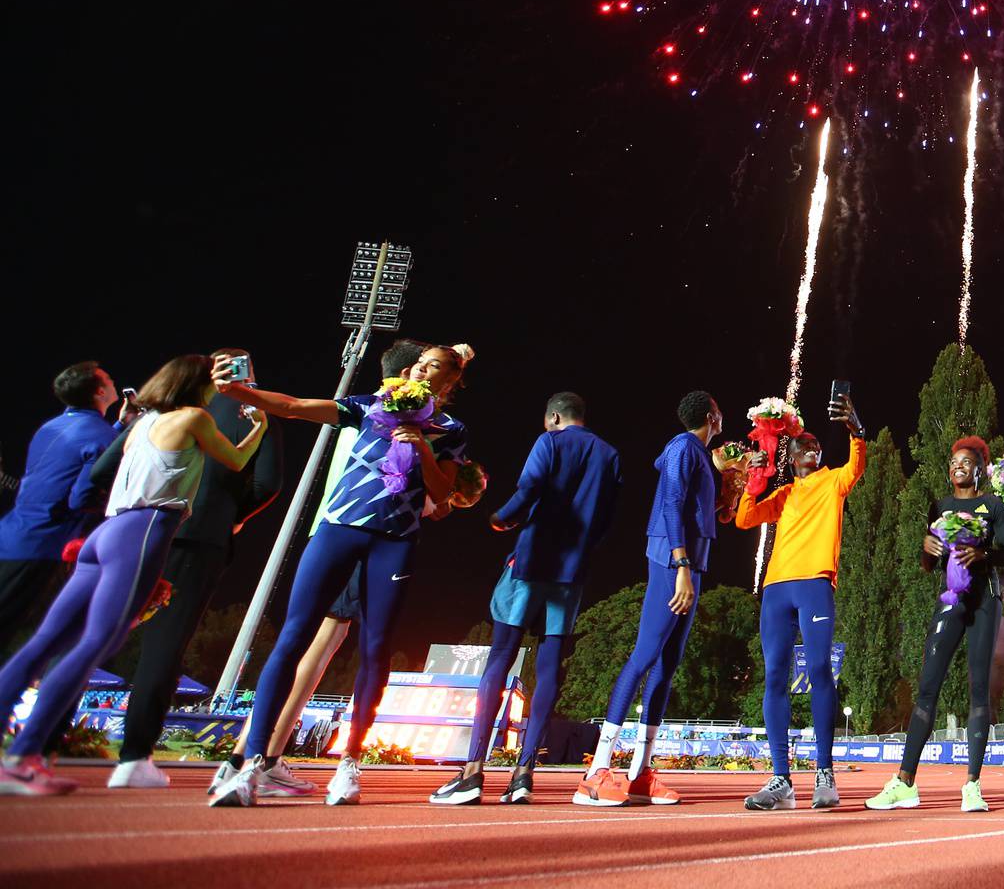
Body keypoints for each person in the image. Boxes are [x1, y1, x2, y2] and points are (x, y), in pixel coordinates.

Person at [211, 344, 474, 808]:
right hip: (338, 529)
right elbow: (294, 408)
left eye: (434, 366)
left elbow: (442, 492)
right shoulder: (370, 406)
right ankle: (250, 764)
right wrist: (237, 391)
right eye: (420, 362)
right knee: (293, 636)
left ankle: (349, 765)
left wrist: (423, 449)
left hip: (393, 542)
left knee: (374, 648)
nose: (421, 369)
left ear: (449, 382)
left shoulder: (450, 429)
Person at [0, 356, 266, 796]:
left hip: (105, 534)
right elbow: (235, 461)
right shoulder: (194, 417)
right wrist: (257, 425)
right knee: (95, 644)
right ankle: (24, 755)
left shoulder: (141, 423)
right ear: (197, 385)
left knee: (46, 641)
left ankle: (20, 755)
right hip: (144, 531)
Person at [95, 347, 284, 789]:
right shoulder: (256, 410)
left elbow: (102, 469)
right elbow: (267, 482)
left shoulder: (160, 411)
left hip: (123, 528)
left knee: (91, 633)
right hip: (198, 538)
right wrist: (233, 514)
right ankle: (134, 757)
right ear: (248, 374)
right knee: (164, 646)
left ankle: (38, 740)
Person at [435, 391, 621, 806]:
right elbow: (606, 519)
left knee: (500, 659)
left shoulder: (549, 442)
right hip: (572, 573)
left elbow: (529, 488)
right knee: (550, 666)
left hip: (531, 560)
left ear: (554, 417)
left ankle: (472, 772)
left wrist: (500, 519)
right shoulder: (609, 455)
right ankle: (523, 775)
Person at [574, 392, 721, 809]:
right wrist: (680, 564)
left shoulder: (698, 454)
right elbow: (672, 502)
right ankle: (596, 771)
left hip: (691, 562)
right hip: (673, 560)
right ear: (712, 416)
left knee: (667, 664)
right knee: (644, 655)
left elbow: (700, 509)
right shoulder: (681, 447)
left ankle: (640, 772)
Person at [866, 436, 1004, 814]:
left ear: (979, 468)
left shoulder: (993, 505)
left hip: (985, 600)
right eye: (953, 462)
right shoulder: (940, 506)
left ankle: (971, 786)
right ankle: (904, 783)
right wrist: (927, 548)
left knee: (978, 688)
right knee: (927, 686)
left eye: (965, 462)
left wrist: (982, 553)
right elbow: (928, 565)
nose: (957, 467)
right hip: (951, 601)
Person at [735, 392, 866, 811]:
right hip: (776, 587)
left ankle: (824, 773)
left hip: (814, 583)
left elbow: (856, 465)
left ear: (819, 452)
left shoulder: (833, 481)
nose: (804, 452)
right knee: (774, 676)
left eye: (810, 447)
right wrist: (753, 484)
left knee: (820, 669)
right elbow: (745, 519)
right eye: (796, 450)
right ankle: (781, 781)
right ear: (790, 459)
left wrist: (855, 429)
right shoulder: (785, 494)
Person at [0, 362, 134, 641]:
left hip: (11, 533)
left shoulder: (52, 426)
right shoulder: (101, 436)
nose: (112, 382)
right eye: (108, 379)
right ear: (99, 391)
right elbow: (81, 497)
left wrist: (119, 426)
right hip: (44, 542)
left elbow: (75, 454)